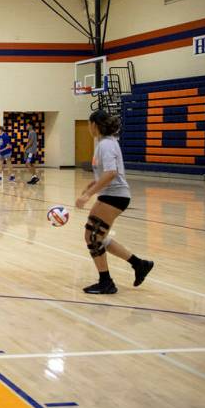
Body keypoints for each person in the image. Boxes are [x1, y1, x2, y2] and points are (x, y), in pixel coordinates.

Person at [75, 110, 154, 294]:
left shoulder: (106, 145)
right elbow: (108, 172)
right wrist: (94, 183)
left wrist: (87, 196)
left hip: (114, 196)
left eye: (89, 124)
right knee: (97, 237)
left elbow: (111, 173)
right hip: (112, 195)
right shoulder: (105, 143)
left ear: (94, 124)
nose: (88, 127)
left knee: (92, 237)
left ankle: (106, 282)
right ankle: (139, 264)